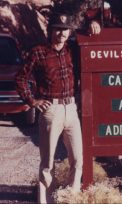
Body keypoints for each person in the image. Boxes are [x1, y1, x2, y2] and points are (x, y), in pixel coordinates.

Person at [15, 14, 83, 204]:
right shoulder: (38, 52)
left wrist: (95, 23)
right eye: (58, 29)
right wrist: (32, 101)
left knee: (78, 159)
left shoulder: (72, 50)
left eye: (65, 29)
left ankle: (72, 197)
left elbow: (90, 34)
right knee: (48, 162)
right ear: (51, 31)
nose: (62, 33)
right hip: (51, 110)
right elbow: (20, 78)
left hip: (71, 108)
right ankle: (48, 201)